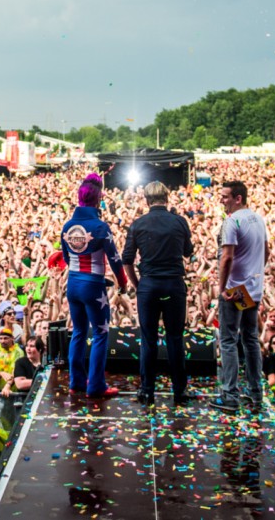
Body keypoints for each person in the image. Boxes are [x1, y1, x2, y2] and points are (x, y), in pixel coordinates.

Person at [123, 180, 194, 407]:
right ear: (167, 198)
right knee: (175, 338)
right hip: (173, 285)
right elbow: (188, 252)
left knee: (148, 340)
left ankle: (147, 392)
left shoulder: (138, 224)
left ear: (146, 200)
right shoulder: (179, 222)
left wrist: (137, 284)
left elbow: (127, 260)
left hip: (149, 286)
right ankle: (180, 393)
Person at [59, 173, 128, 398]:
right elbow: (115, 259)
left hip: (73, 283)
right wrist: (123, 283)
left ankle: (76, 382)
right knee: (100, 333)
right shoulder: (100, 227)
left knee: (78, 332)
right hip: (93, 286)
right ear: (98, 199)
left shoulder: (67, 226)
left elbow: (68, 258)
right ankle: (96, 385)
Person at [211, 180, 267, 413]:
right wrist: (254, 276)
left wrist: (223, 288)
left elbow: (227, 258)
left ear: (238, 198)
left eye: (225, 197)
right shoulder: (258, 219)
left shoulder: (231, 221)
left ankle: (230, 394)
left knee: (228, 340)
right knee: (251, 339)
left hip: (234, 291)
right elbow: (267, 252)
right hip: (253, 288)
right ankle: (255, 392)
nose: (222, 200)